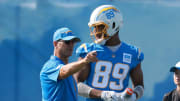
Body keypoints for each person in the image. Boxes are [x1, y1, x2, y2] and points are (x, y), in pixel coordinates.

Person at [74, 5, 144, 101]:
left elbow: (139, 85)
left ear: (113, 25)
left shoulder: (133, 54)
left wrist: (134, 96)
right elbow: (76, 84)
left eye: (99, 27)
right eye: (94, 27)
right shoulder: (89, 51)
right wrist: (102, 94)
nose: (95, 31)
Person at [40, 27, 98, 101]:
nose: (71, 45)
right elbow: (64, 71)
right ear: (55, 44)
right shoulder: (50, 66)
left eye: (73, 42)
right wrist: (85, 61)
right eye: (67, 42)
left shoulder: (69, 70)